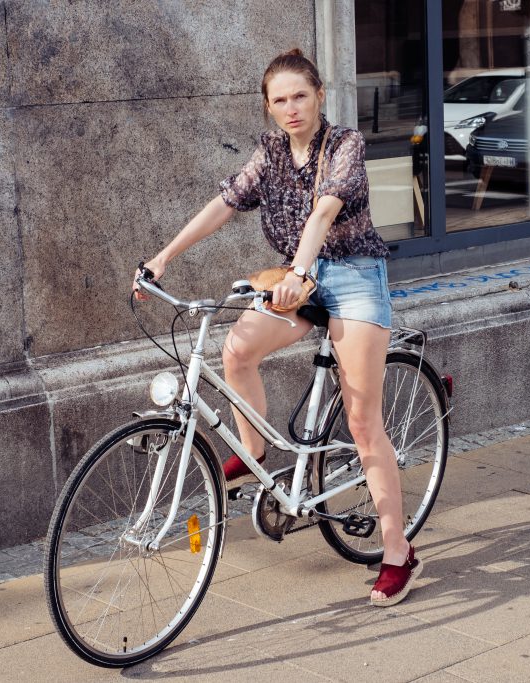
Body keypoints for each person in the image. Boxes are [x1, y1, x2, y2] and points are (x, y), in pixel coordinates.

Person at [133, 49, 421, 607]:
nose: (291, 109)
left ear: (318, 96)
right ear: (268, 108)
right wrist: (163, 256)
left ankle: (396, 551)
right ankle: (257, 451)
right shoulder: (268, 153)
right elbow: (224, 203)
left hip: (354, 274)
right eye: (279, 100)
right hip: (298, 279)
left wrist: (300, 271)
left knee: (364, 421)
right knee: (237, 350)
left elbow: (323, 212)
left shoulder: (345, 146)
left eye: (300, 96)